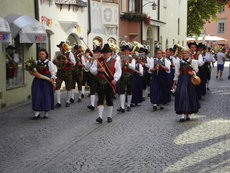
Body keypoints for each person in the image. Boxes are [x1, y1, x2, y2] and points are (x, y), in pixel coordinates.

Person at [90, 44, 121, 123]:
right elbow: (92, 69)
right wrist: (98, 69)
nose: (105, 54)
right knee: (100, 99)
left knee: (109, 100)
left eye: (106, 53)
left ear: (110, 53)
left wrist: (116, 79)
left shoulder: (115, 61)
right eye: (103, 53)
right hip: (100, 82)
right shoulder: (98, 60)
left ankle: (109, 116)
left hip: (109, 82)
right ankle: (100, 117)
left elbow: (118, 71)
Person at [173, 49, 200, 122]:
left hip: (190, 80)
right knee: (182, 95)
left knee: (189, 95)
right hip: (182, 80)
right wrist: (174, 83)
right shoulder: (178, 62)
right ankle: (182, 114)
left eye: (186, 53)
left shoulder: (193, 61)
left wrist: (193, 72)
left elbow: (196, 70)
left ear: (188, 54)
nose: (184, 55)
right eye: (183, 53)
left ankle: (187, 113)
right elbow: (176, 73)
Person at [31, 49, 57, 119]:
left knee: (46, 96)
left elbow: (53, 73)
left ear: (46, 55)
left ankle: (46, 112)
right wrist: (33, 73)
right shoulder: (35, 63)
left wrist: (54, 82)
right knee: (37, 95)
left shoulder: (49, 63)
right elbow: (32, 71)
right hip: (37, 81)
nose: (41, 55)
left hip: (47, 81)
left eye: (43, 54)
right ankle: (37, 112)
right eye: (40, 54)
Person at [53, 41, 76, 108]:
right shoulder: (57, 53)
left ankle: (68, 101)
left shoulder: (69, 53)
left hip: (68, 72)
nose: (61, 48)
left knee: (68, 87)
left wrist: (68, 62)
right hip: (60, 72)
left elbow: (74, 63)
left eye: (62, 47)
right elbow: (53, 60)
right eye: (60, 47)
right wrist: (55, 61)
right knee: (57, 86)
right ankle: (58, 102)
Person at [117, 45, 136, 112]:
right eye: (124, 51)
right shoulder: (120, 58)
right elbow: (118, 67)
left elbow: (133, 67)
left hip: (130, 76)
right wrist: (122, 62)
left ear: (129, 52)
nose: (126, 52)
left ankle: (128, 105)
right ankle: (122, 107)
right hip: (122, 76)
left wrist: (128, 63)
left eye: (127, 51)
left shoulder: (132, 59)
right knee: (122, 91)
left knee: (129, 91)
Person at [86, 46, 102, 111]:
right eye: (95, 52)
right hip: (92, 76)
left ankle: (101, 101)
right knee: (92, 90)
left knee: (100, 90)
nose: (96, 53)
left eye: (97, 52)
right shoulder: (92, 59)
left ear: (100, 53)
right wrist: (89, 61)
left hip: (100, 76)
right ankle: (92, 105)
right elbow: (87, 67)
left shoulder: (102, 59)